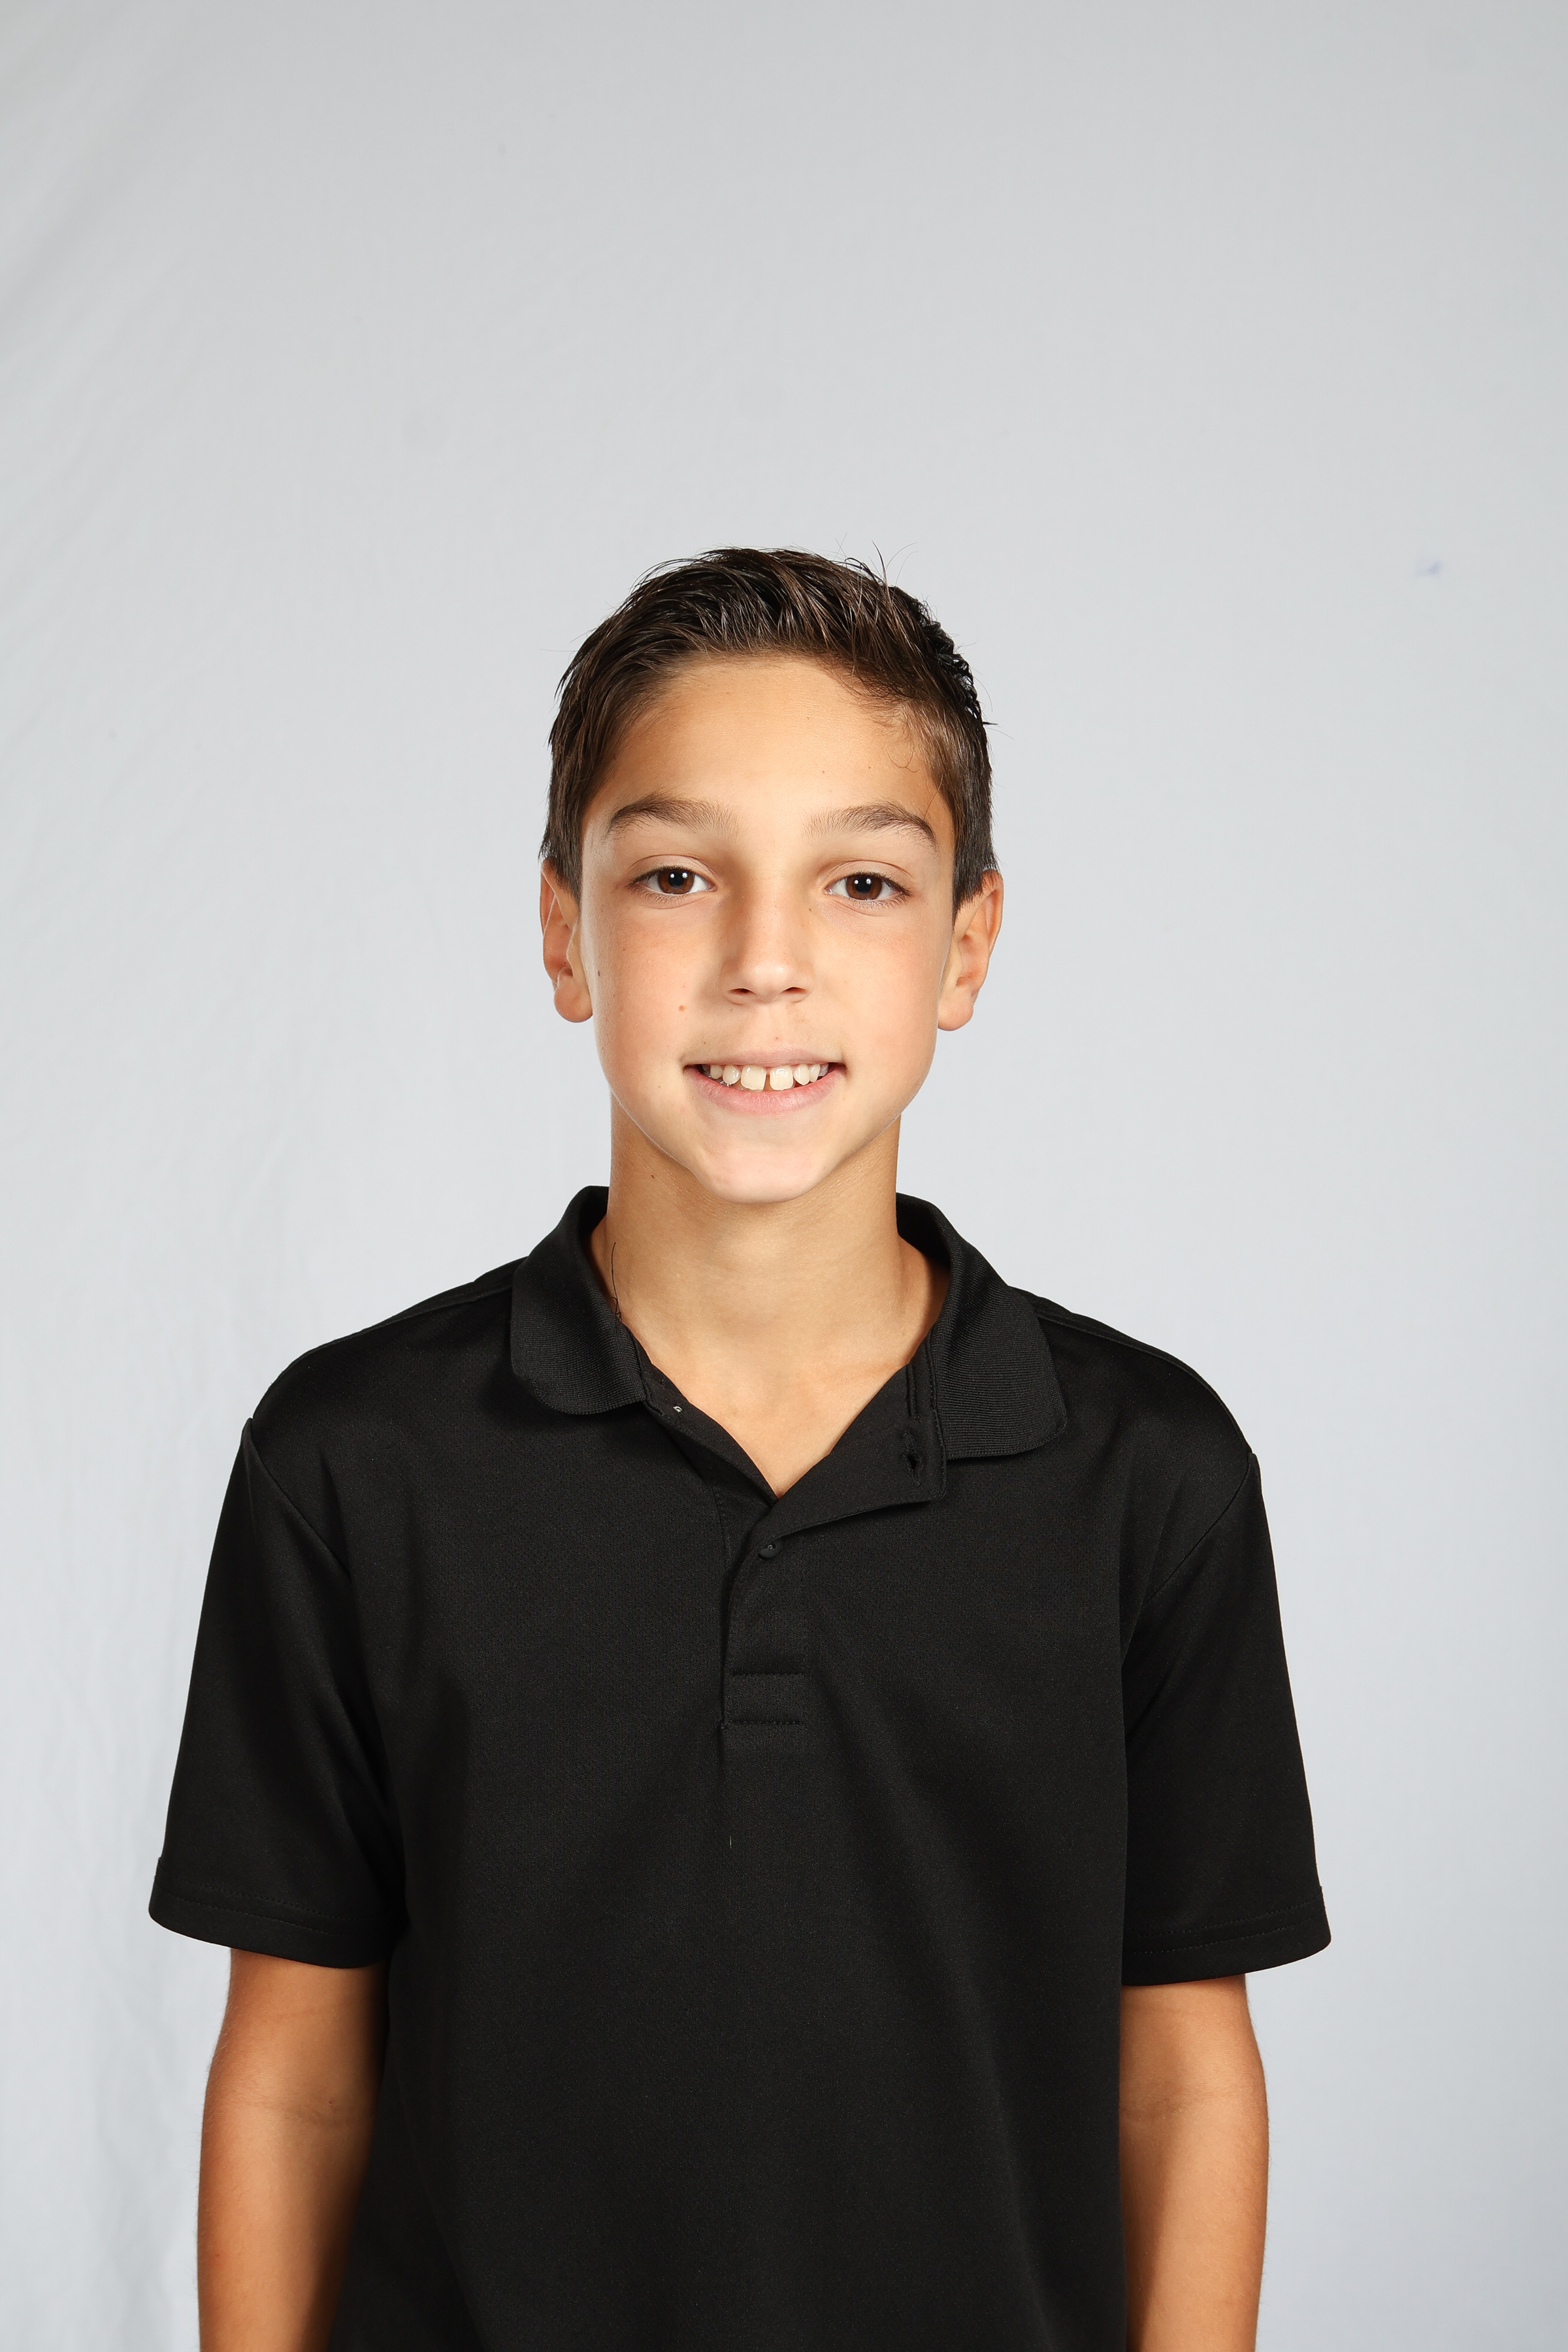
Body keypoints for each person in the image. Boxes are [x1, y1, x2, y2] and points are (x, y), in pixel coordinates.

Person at [150, 548, 1329, 2351]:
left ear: (967, 945)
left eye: (861, 882)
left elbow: (1178, 2074)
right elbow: (296, 2080)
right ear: (566, 933)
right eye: (678, 876)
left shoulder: (1147, 1477)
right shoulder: (355, 1464)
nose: (766, 963)